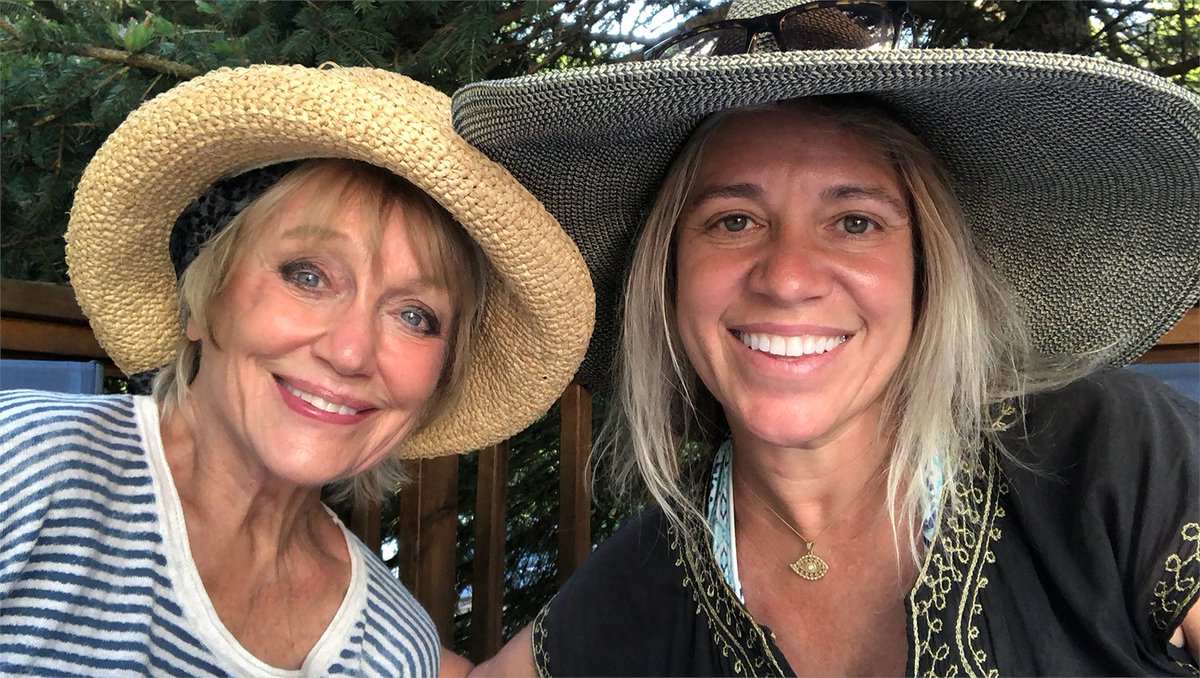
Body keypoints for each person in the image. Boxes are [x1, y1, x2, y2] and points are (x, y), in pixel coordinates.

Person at [451, 0, 1200, 674]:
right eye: (734, 221)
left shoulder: (1110, 451)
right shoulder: (646, 575)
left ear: (926, 270)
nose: (787, 278)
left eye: (854, 222)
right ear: (668, 275)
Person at [0, 64, 593, 676]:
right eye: (308, 276)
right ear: (201, 302)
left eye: (415, 316)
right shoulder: (22, 464)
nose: (351, 352)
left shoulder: (393, 646)